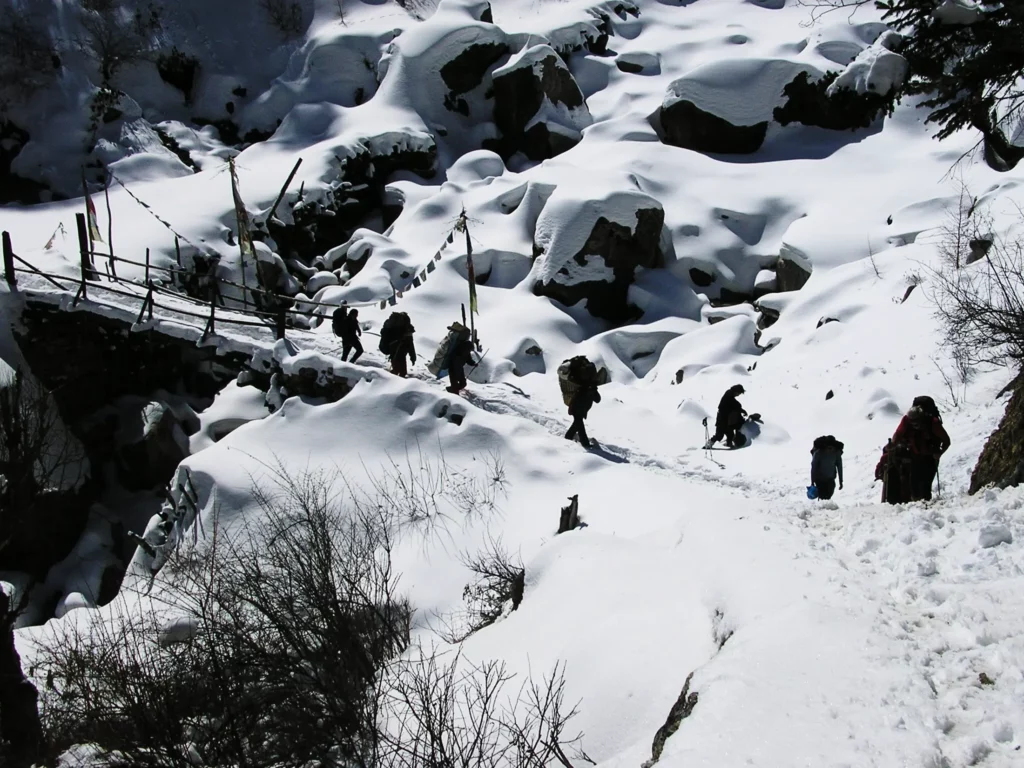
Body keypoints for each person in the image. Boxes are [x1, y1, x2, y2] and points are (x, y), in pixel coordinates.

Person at [889, 396, 951, 502]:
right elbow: (898, 434)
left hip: (930, 456)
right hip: (915, 455)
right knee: (914, 483)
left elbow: (946, 441)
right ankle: (918, 505)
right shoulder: (906, 421)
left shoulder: (933, 423)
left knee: (926, 484)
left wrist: (939, 453)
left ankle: (925, 505)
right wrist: (893, 445)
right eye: (912, 423)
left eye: (916, 423)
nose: (914, 425)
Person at [565, 380, 601, 449]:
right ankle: (585, 443)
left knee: (576, 424)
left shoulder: (589, 389)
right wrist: (593, 390)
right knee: (580, 426)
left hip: (580, 410)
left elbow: (597, 399)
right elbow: (597, 399)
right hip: (577, 409)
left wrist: (594, 390)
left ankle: (568, 436)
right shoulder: (583, 388)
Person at [810, 435, 844, 500]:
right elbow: (813, 467)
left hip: (830, 479)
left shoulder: (836, 453)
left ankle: (823, 508)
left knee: (827, 496)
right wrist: (812, 481)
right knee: (823, 497)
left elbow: (840, 467)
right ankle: (823, 508)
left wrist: (841, 481)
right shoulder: (818, 453)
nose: (830, 449)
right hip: (820, 480)